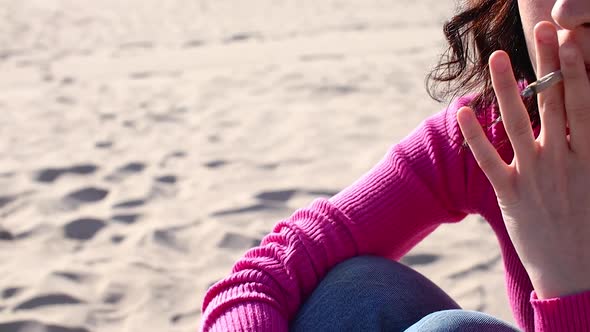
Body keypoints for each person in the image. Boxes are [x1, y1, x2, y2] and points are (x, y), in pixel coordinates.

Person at [200, 0, 590, 330]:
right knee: (359, 291)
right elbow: (259, 277)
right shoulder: (500, 134)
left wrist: (568, 284)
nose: (567, 11)